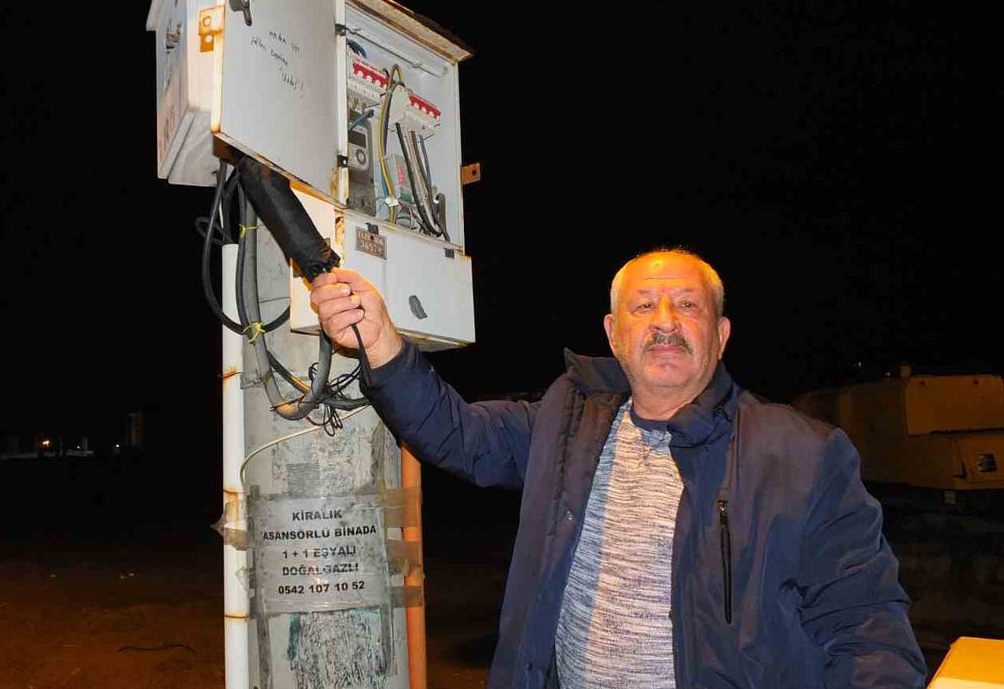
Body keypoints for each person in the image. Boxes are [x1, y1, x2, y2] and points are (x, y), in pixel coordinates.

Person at [309, 248, 924, 688]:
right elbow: (456, 433)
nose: (665, 320)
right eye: (643, 306)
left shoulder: (803, 453)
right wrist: (381, 342)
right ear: (613, 332)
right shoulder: (565, 420)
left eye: (688, 305)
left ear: (720, 335)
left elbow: (865, 625)